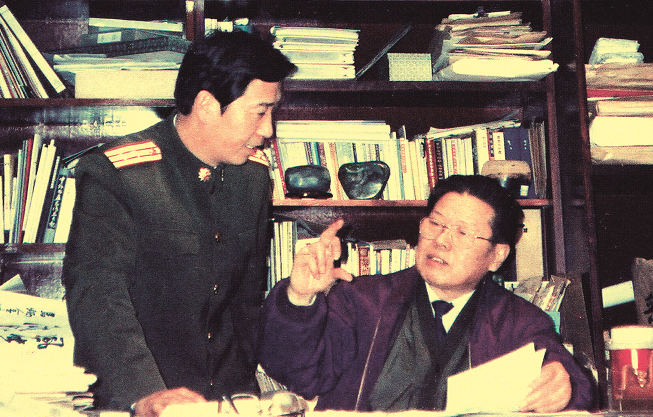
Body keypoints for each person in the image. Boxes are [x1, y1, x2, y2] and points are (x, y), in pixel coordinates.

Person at [63, 29, 296, 416]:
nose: (268, 130)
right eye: (260, 112)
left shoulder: (253, 177)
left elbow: (245, 302)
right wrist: (144, 392)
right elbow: (98, 296)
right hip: (146, 398)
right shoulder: (118, 174)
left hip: (229, 399)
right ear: (206, 105)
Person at [256, 174, 596, 412]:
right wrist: (299, 298)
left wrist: (564, 384)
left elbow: (571, 381)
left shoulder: (519, 322)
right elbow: (299, 375)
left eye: (463, 233)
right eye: (435, 223)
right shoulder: (362, 300)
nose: (441, 240)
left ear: (497, 256)